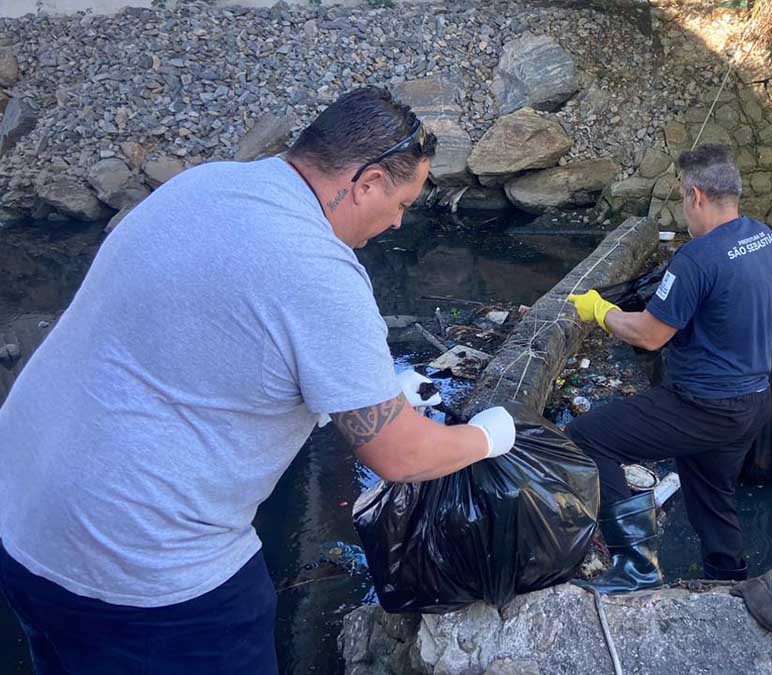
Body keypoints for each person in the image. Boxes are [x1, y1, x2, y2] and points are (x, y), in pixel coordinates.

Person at [0, 87, 517, 674]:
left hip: (23, 519)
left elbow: (211, 338)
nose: (399, 220)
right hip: (142, 572)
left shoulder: (206, 184)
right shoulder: (318, 272)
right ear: (368, 181)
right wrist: (491, 436)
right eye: (402, 201)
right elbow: (399, 454)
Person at [566, 144, 772, 592]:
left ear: (696, 196)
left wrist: (599, 311)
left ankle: (635, 565)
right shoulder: (764, 238)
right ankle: (729, 583)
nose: (683, 209)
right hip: (755, 402)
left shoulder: (696, 259)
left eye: (683, 197)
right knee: (711, 492)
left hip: (704, 403)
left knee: (589, 437)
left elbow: (649, 335)